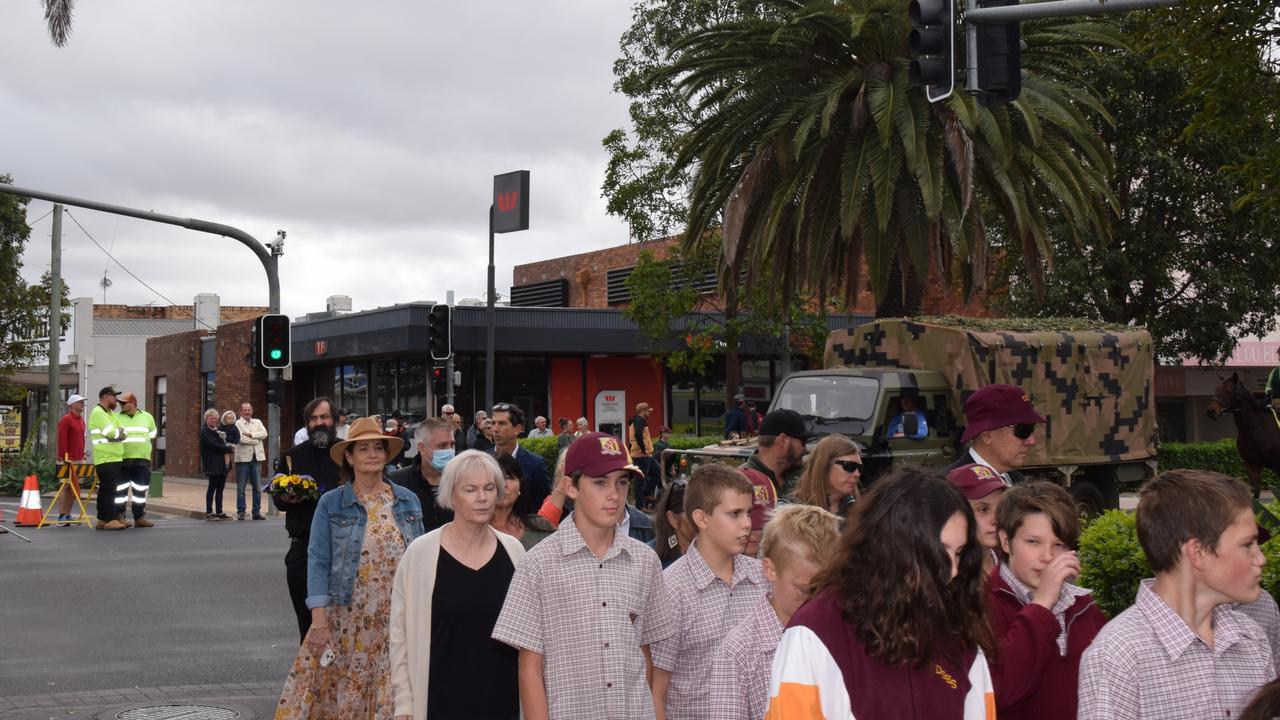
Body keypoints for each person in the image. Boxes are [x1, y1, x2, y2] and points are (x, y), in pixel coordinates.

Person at [766, 466, 996, 718]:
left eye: (959, 552)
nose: (953, 570)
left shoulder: (957, 626)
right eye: (939, 552)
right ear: (892, 546)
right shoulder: (816, 631)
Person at [491, 432, 677, 720]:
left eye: (622, 482)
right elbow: (529, 669)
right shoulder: (538, 564)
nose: (614, 494)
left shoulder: (644, 560)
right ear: (571, 487)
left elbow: (644, 653)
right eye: (600, 482)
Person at [1078, 469, 1274, 719]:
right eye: (1247, 545)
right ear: (1198, 552)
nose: (1261, 558)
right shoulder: (1119, 655)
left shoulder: (1252, 638)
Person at [276, 416, 424, 719]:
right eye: (363, 449)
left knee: (392, 699)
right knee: (342, 699)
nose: (372, 455)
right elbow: (317, 561)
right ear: (349, 456)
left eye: (378, 448)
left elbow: (420, 560)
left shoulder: (407, 500)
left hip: (395, 618)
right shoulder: (331, 503)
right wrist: (318, 622)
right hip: (346, 619)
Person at [389, 450, 526, 720]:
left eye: (489, 488)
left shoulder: (514, 552)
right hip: (439, 703)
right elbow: (399, 635)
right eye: (471, 490)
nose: (483, 498)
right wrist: (404, 702)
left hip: (503, 701)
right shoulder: (421, 553)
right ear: (451, 496)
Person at [653, 462, 770, 720]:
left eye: (748, 513)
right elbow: (656, 692)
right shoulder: (672, 589)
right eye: (734, 514)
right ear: (701, 518)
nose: (747, 524)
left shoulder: (763, 579)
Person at [986, 481, 1106, 720]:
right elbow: (1004, 690)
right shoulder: (981, 604)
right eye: (1033, 542)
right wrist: (1041, 605)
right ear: (1006, 541)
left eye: (1059, 545)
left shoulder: (1083, 606)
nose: (1048, 557)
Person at [709, 504, 840, 720]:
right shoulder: (738, 652)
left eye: (826, 589)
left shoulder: (843, 633)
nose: (816, 601)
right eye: (806, 590)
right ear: (770, 569)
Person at [273, 396, 344, 641]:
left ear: (334, 420)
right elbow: (277, 500)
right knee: (309, 628)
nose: (319, 423)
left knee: (343, 627)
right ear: (307, 424)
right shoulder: (292, 457)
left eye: (324, 417)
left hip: (342, 549)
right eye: (313, 419)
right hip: (303, 549)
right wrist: (287, 496)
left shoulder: (347, 453)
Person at [946, 384, 1045, 484]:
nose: (1032, 441)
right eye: (1023, 430)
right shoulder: (950, 489)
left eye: (1032, 428)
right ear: (987, 435)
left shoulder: (1018, 482)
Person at [389, 418, 456, 535]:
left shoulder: (462, 481)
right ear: (422, 448)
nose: (449, 451)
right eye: (442, 446)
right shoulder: (396, 483)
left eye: (452, 445)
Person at [947, 463, 1009, 574]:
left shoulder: (1012, 561)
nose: (996, 519)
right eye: (983, 510)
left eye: (1001, 508)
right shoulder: (946, 572)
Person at [489, 402, 551, 508]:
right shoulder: (482, 461)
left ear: (517, 429)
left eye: (502, 423)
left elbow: (543, 505)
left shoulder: (535, 464)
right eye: (493, 423)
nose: (495, 429)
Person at [491, 453, 558, 549]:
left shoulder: (541, 526)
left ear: (520, 484)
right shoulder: (471, 530)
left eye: (510, 478)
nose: (503, 485)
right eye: (496, 478)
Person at [788, 434, 862, 519]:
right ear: (825, 466)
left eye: (860, 468)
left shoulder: (861, 514)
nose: (857, 474)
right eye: (849, 466)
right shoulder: (791, 514)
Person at [89, 386, 128, 531]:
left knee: (107, 489)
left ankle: (103, 519)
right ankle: (109, 519)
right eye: (113, 396)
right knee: (109, 489)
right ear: (105, 397)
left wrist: (119, 433)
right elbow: (110, 433)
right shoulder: (98, 413)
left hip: (114, 457)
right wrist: (118, 434)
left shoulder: (110, 413)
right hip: (105, 457)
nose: (116, 399)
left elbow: (123, 430)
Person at [117, 392, 158, 528]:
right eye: (120, 403)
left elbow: (153, 433)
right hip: (123, 458)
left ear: (133, 403)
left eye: (124, 403)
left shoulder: (147, 417)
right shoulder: (116, 418)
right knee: (120, 491)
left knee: (140, 490)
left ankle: (139, 517)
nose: (121, 405)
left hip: (141, 459)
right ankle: (119, 516)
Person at [54, 393, 87, 525]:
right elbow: (62, 439)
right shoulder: (66, 419)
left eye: (82, 402)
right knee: (66, 486)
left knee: (73, 487)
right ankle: (62, 515)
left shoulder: (81, 420)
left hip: (79, 458)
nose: (82, 404)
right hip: (67, 459)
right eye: (79, 402)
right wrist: (63, 457)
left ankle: (68, 515)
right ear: (72, 405)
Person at [233, 402, 268, 520]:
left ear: (252, 411)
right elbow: (240, 438)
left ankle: (256, 512)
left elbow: (264, 434)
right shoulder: (237, 423)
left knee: (257, 488)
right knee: (241, 488)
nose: (247, 412)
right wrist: (255, 440)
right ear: (240, 412)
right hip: (242, 460)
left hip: (256, 458)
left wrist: (251, 435)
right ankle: (241, 511)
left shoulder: (257, 422)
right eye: (245, 410)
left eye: (249, 410)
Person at [649, 480, 693, 568]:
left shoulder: (719, 554)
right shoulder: (647, 558)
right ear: (673, 519)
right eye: (693, 513)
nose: (703, 520)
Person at [199, 409, 233, 520]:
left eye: (215, 418)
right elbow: (215, 445)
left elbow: (223, 442)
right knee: (212, 487)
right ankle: (209, 512)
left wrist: (226, 446)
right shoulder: (205, 432)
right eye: (211, 418)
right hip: (212, 463)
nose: (213, 420)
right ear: (206, 419)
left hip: (221, 463)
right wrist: (228, 448)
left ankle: (219, 511)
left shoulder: (217, 431)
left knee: (220, 488)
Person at [629, 402, 660, 508]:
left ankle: (645, 495)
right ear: (643, 411)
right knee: (640, 481)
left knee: (658, 472)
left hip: (645, 455)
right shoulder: (639, 421)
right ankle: (639, 506)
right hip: (641, 456)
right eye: (648, 411)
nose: (649, 413)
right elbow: (638, 434)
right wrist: (643, 449)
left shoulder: (638, 421)